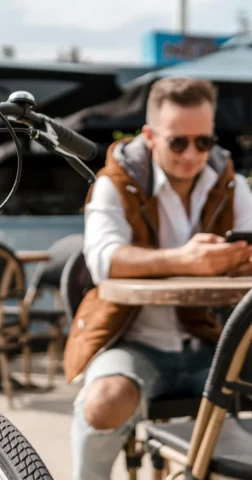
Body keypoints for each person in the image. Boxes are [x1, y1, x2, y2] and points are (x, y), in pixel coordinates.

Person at [64, 77, 252, 480]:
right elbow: (104, 261)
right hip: (134, 343)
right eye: (178, 142)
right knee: (103, 402)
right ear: (149, 136)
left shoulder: (229, 181)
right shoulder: (113, 182)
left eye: (203, 142)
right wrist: (186, 260)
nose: (192, 154)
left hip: (213, 342)